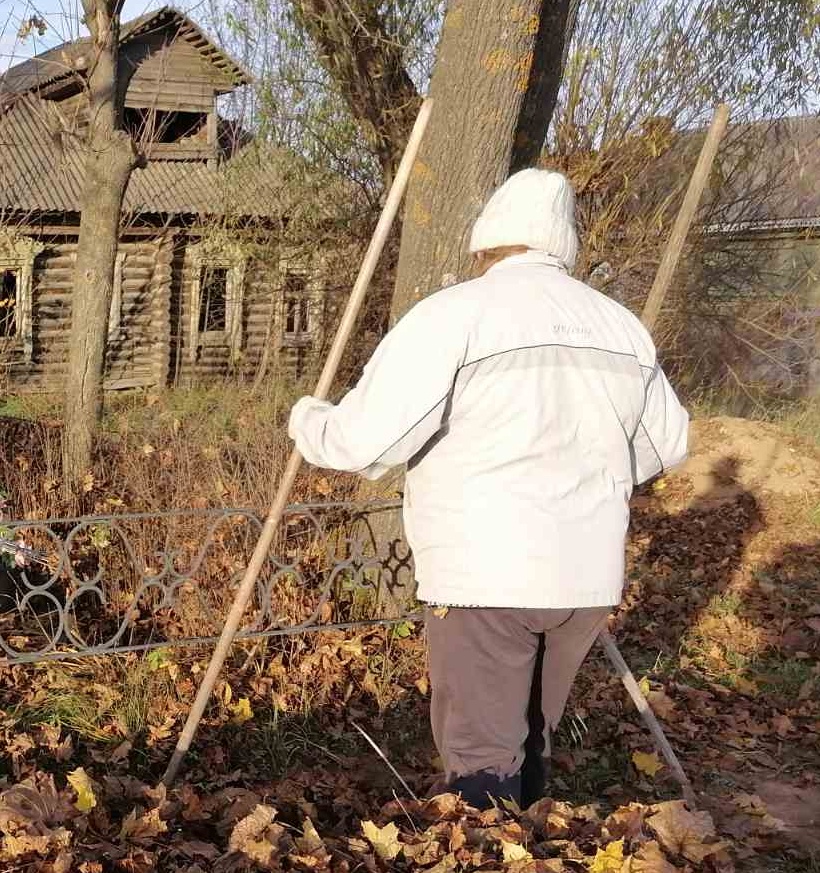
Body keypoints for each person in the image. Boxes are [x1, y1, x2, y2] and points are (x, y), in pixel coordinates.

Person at [287, 168, 689, 808]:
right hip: (584, 577)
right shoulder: (620, 327)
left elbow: (369, 441)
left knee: (480, 756)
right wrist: (590, 471)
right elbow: (666, 443)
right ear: (564, 246)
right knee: (533, 737)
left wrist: (310, 422)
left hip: (485, 573)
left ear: (486, 244)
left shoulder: (456, 316)